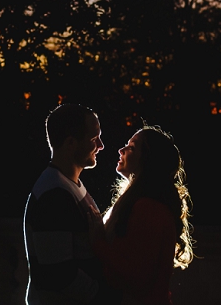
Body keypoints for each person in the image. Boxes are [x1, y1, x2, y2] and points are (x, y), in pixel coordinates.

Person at [24, 104, 121, 305]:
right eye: (94, 139)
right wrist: (106, 296)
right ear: (70, 143)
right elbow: (58, 274)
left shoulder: (68, 185)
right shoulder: (54, 195)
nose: (101, 145)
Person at [90, 127, 195, 305]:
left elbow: (138, 277)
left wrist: (97, 243)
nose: (121, 150)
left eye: (131, 147)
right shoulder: (144, 204)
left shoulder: (149, 208)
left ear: (147, 159)